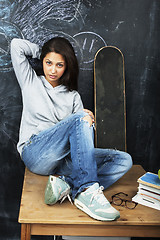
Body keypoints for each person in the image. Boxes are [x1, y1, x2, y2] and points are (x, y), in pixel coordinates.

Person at [10, 37, 132, 222]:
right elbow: (16, 45)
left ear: (67, 66)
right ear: (42, 61)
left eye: (59, 65)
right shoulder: (30, 81)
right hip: (35, 153)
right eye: (48, 62)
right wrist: (42, 51)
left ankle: (65, 185)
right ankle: (85, 191)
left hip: (62, 162)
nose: (53, 70)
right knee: (80, 118)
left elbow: (80, 139)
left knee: (124, 160)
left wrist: (87, 121)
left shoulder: (73, 96)